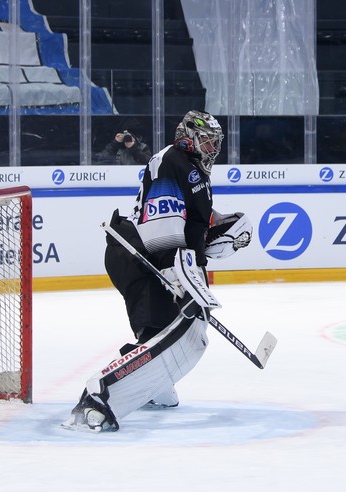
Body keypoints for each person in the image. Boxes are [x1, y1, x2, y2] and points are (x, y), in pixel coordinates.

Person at [62, 110, 253, 432]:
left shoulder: (190, 169)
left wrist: (221, 229)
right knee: (162, 331)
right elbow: (164, 228)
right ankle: (97, 399)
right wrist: (182, 279)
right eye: (206, 141)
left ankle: (154, 387)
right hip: (139, 255)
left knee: (172, 329)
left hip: (151, 258)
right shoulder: (172, 162)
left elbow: (193, 221)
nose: (212, 148)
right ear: (188, 136)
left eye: (214, 143)